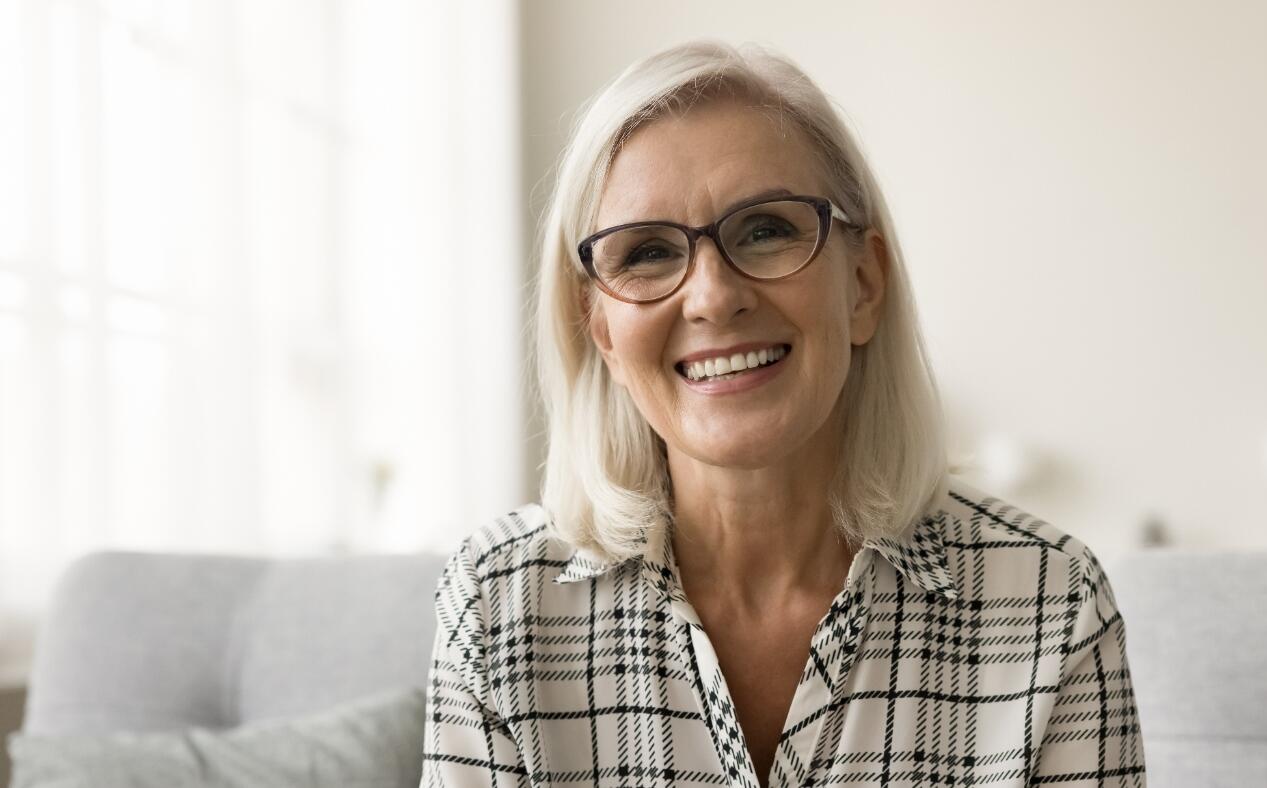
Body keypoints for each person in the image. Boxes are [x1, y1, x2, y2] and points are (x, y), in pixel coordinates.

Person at [421, 40, 1145, 788]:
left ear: (862, 284)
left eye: (765, 230)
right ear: (599, 327)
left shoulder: (1052, 604)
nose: (710, 297)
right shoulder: (497, 605)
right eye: (646, 252)